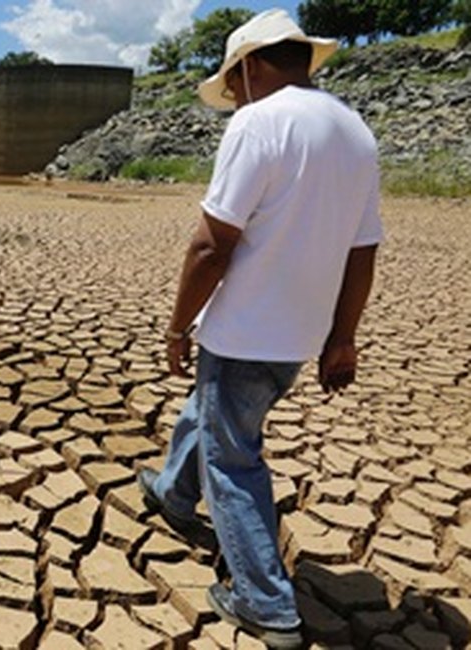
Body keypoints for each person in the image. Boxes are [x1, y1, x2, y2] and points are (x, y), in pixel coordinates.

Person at [136, 9, 382, 649]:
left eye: (233, 82)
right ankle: (170, 492)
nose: (234, 96)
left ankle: (264, 601)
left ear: (247, 66)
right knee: (214, 415)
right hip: (299, 338)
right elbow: (363, 251)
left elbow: (210, 248)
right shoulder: (355, 132)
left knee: (235, 459)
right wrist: (342, 337)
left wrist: (176, 328)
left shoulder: (258, 122)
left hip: (243, 333)